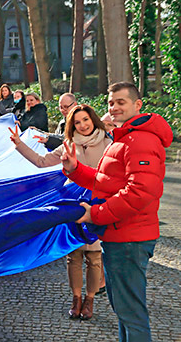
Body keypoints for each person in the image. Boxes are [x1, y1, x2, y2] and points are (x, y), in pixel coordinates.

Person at [61, 82, 173, 342]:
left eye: (121, 102)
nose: (114, 107)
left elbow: (140, 192)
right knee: (124, 312)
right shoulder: (124, 138)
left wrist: (96, 214)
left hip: (130, 239)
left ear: (137, 105)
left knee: (131, 314)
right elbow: (106, 181)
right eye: (111, 102)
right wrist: (75, 169)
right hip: (119, 237)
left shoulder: (140, 139)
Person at [10, 104, 111, 320]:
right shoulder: (68, 145)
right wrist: (19, 145)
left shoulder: (108, 143)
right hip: (71, 204)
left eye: (86, 120)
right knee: (73, 255)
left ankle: (89, 300)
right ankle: (75, 300)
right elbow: (41, 162)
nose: (83, 125)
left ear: (93, 120)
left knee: (94, 257)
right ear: (72, 126)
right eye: (77, 122)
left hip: (96, 204)